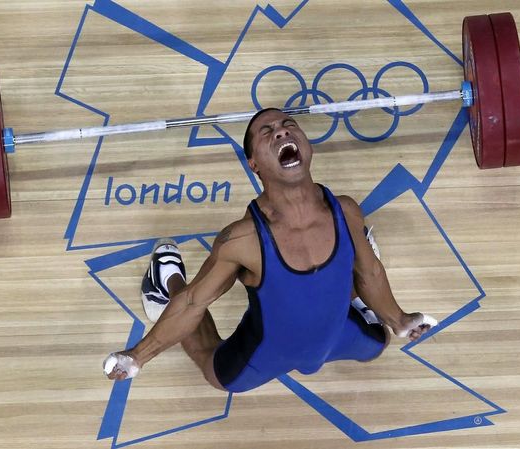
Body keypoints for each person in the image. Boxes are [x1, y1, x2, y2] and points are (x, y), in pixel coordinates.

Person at [103, 108, 437, 392]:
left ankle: (355, 283)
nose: (281, 132)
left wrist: (399, 319)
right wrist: (138, 356)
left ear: (305, 146)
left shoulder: (346, 212)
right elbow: (193, 303)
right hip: (266, 352)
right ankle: (166, 280)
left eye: (288, 126)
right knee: (215, 372)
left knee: (380, 342)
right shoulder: (241, 241)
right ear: (254, 165)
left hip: (337, 337)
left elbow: (371, 272)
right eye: (267, 132)